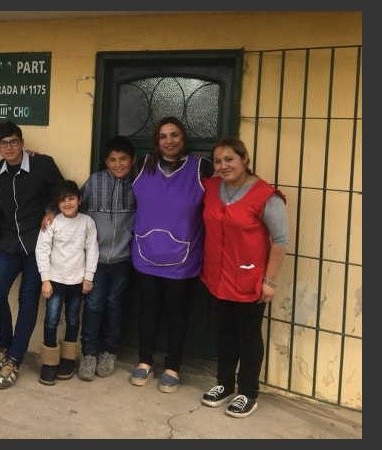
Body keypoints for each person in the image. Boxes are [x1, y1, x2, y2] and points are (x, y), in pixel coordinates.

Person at [199, 138, 289, 418]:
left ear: (244, 159)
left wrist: (270, 281)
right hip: (218, 276)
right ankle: (224, 384)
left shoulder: (265, 195)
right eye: (218, 161)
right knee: (224, 333)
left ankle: (248, 392)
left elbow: (280, 240)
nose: (223, 166)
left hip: (249, 278)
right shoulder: (212, 188)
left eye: (229, 159)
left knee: (248, 336)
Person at [129, 116, 214, 393]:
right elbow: (113, 167)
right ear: (157, 141)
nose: (169, 141)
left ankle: (173, 366)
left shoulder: (202, 168)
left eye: (174, 135)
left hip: (183, 258)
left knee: (177, 314)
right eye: (163, 136)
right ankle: (144, 360)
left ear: (183, 138)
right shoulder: (142, 165)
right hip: (146, 254)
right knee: (147, 311)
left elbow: (229, 187)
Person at [0, 120, 64, 390]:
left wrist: (52, 210)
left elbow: (62, 194)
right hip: (9, 244)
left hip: (36, 246)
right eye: (3, 143)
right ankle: (6, 346)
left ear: (22, 142)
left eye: (13, 142)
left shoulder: (43, 164)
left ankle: (15, 359)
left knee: (28, 299)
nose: (9, 147)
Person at [77, 136, 137, 381]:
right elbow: (75, 206)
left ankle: (109, 351)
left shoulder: (139, 183)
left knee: (114, 304)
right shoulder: (95, 181)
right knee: (93, 305)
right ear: (105, 161)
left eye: (123, 159)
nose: (118, 164)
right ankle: (89, 353)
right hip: (96, 260)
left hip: (123, 259)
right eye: (112, 160)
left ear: (132, 161)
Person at [35, 180, 98, 386]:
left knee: (72, 320)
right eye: (62, 200)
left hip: (77, 282)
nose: (67, 203)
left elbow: (92, 250)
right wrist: (45, 279)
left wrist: (88, 277)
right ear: (57, 204)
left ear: (79, 200)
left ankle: (68, 360)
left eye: (71, 199)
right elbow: (42, 250)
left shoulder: (87, 222)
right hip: (54, 281)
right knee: (52, 320)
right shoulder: (52, 222)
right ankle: (49, 363)